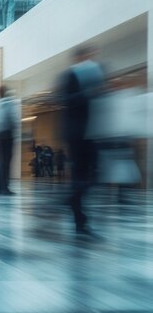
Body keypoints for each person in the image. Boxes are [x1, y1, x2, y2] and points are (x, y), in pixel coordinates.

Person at [59, 47, 104, 235]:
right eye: (87, 56)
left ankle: (71, 199)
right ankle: (80, 222)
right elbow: (65, 99)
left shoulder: (95, 74)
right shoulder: (69, 76)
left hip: (91, 133)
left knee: (94, 175)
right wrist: (88, 93)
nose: (90, 59)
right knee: (80, 176)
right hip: (77, 135)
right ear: (79, 57)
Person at [0, 85, 18, 195]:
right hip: (8, 135)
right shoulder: (9, 103)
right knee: (7, 162)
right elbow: (13, 119)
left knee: (2, 162)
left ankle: (0, 187)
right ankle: (5, 187)